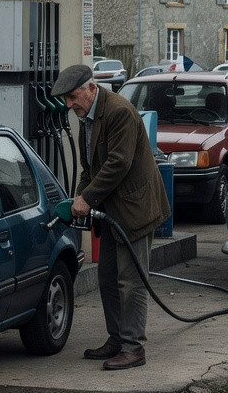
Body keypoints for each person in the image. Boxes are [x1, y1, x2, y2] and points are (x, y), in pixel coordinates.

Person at [52, 64, 169, 371]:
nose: (70, 105)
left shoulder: (119, 112)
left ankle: (133, 348)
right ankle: (116, 339)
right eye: (66, 99)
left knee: (131, 282)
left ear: (92, 87)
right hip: (112, 213)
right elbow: (90, 168)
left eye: (73, 97)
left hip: (135, 210)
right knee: (107, 278)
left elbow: (118, 164)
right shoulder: (85, 118)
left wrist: (86, 199)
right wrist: (78, 198)